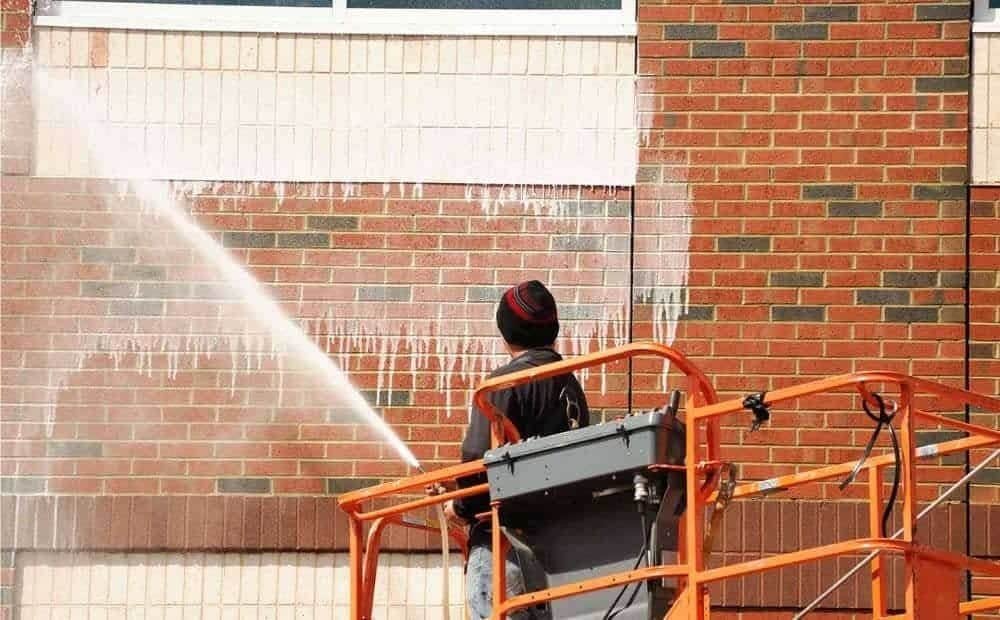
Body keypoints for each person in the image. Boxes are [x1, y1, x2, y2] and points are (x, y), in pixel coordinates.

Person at [442, 280, 590, 620]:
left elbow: (477, 458)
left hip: (504, 546)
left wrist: (460, 507)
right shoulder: (570, 388)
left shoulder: (503, 385)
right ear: (553, 328)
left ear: (505, 330)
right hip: (559, 551)